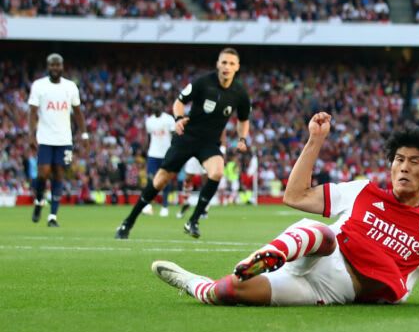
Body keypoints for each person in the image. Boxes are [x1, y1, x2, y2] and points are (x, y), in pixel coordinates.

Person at [151, 113, 419, 307]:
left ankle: (222, 276)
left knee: (232, 293)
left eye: (413, 162)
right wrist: (314, 142)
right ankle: (252, 263)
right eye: (398, 160)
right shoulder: (362, 191)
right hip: (319, 252)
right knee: (320, 232)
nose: (403, 168)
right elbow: (295, 196)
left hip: (335, 290)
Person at [116, 47, 251, 239]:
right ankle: (127, 222)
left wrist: (242, 139)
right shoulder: (203, 82)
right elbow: (179, 102)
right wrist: (178, 118)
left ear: (237, 67)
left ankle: (193, 221)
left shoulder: (240, 93)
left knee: (217, 171)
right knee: (160, 181)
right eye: (223, 62)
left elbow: (243, 120)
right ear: (217, 64)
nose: (226, 67)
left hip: (209, 143)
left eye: (231, 63)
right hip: (187, 138)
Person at [27, 53, 89, 227]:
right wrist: (30, 135)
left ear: (62, 66)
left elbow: (78, 112)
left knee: (59, 174)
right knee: (43, 173)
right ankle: (39, 200)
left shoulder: (70, 87)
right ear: (48, 67)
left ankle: (52, 216)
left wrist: (84, 135)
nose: (55, 68)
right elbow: (32, 112)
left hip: (64, 139)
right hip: (45, 138)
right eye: (52, 65)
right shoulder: (39, 86)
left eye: (58, 65)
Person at [141, 98, 175, 217]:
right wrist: (146, 150)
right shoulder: (149, 121)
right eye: (154, 105)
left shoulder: (169, 119)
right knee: (150, 179)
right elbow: (149, 137)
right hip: (153, 154)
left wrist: (174, 151)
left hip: (166, 154)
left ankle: (165, 206)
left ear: (162, 107)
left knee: (165, 180)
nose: (155, 107)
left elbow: (174, 136)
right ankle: (148, 205)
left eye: (157, 105)